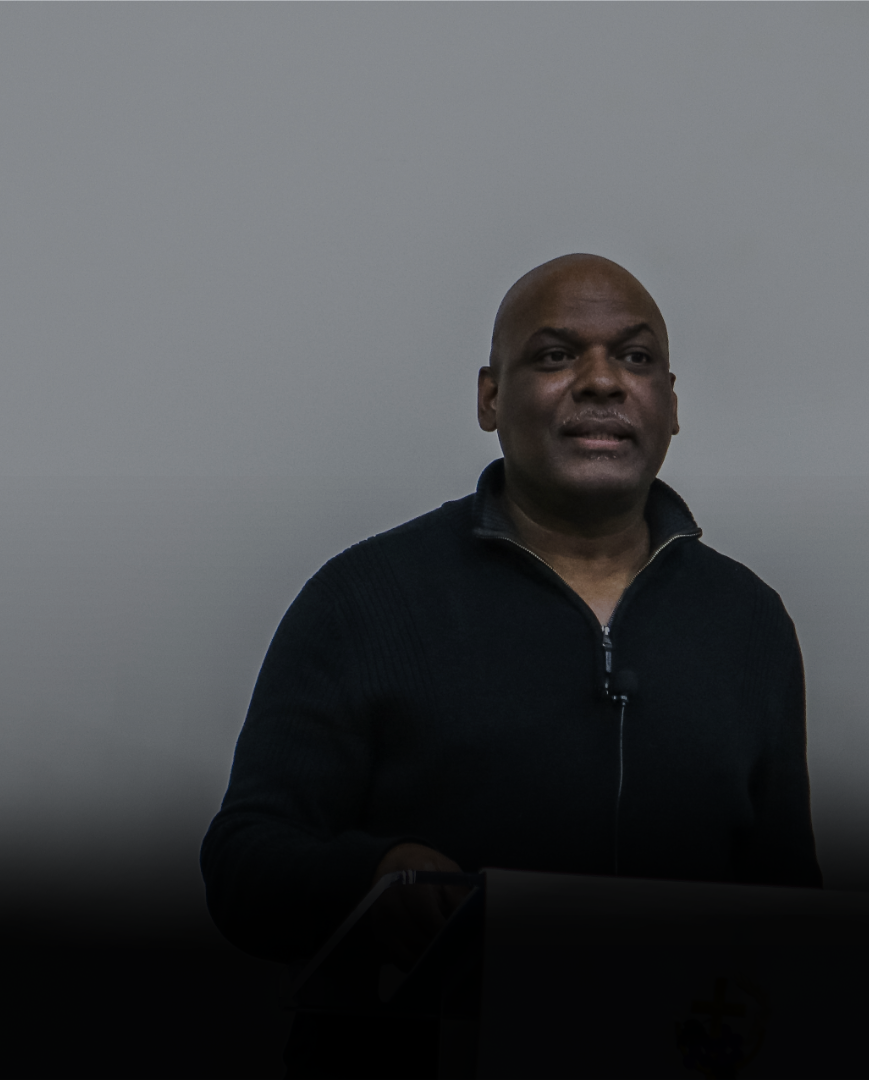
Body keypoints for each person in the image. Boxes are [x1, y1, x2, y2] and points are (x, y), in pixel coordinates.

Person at [200, 253, 820, 1073]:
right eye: (556, 355)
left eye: (635, 358)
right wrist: (374, 876)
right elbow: (241, 866)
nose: (602, 381)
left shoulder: (748, 622)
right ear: (490, 398)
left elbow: (794, 915)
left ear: (671, 405)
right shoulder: (365, 599)